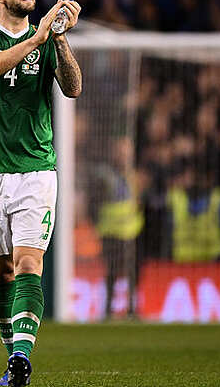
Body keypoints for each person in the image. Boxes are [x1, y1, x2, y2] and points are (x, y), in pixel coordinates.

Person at [0, 0, 82, 387]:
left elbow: (72, 88)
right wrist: (38, 39)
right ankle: (12, 357)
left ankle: (19, 359)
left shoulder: (46, 39)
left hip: (35, 168)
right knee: (2, 272)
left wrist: (60, 41)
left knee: (28, 262)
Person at [95, 137, 143, 320]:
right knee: (112, 272)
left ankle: (132, 308)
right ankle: (108, 309)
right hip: (111, 232)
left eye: (127, 150)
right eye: (121, 150)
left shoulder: (136, 176)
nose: (124, 155)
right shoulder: (106, 175)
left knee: (133, 272)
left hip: (132, 231)